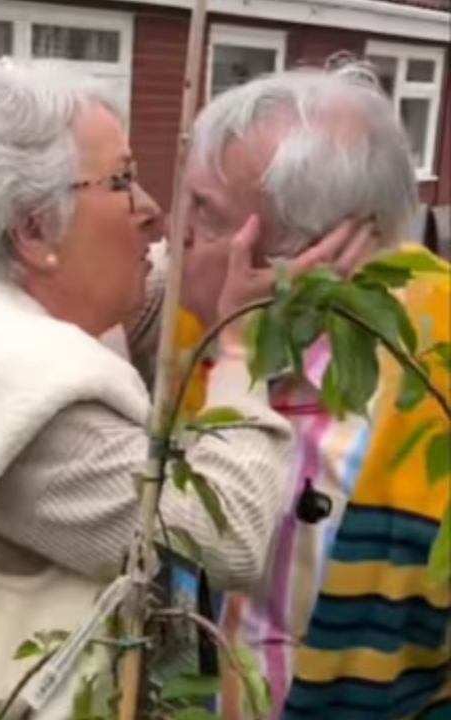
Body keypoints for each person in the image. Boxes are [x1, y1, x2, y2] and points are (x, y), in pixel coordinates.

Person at [0, 57, 370, 719]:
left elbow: (148, 297)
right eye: (123, 181)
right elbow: (227, 537)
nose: (157, 215)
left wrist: (218, 258)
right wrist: (241, 348)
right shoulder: (18, 393)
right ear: (35, 228)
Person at [135, 60, 451, 720]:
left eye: (208, 215)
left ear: (316, 250)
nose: (174, 230)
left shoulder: (432, 373)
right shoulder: (197, 331)